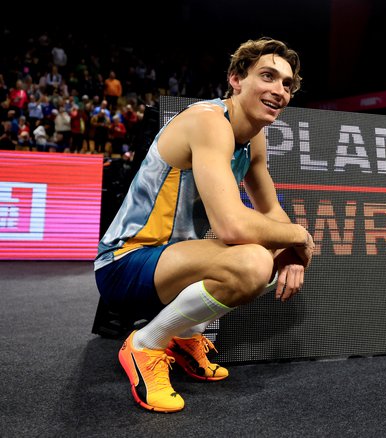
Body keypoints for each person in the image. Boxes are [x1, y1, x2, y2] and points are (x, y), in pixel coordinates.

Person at [94, 37, 314, 413]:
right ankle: (146, 344)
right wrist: (301, 237)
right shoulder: (208, 121)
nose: (279, 90)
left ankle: (186, 336)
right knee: (253, 262)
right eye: (268, 76)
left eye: (287, 84)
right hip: (125, 263)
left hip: (172, 264)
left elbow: (272, 214)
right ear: (236, 79)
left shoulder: (253, 139)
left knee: (272, 253)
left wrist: (293, 250)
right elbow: (230, 225)